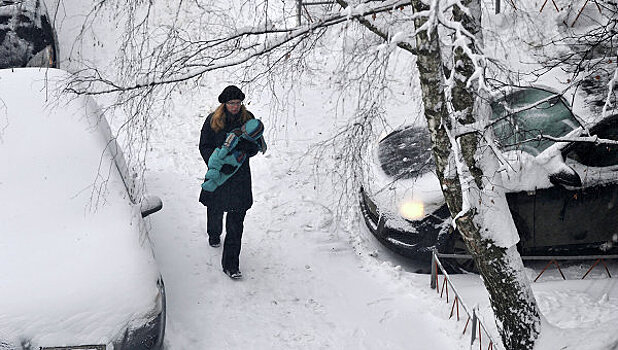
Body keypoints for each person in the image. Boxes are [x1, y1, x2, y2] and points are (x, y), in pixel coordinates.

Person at [199, 85, 264, 280]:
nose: (235, 106)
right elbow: (204, 146)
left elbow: (257, 144)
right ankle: (213, 232)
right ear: (224, 104)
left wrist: (247, 148)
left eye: (238, 103)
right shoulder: (213, 120)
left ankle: (231, 265)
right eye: (231, 103)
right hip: (219, 175)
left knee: (236, 222)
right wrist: (218, 164)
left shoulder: (248, 118)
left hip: (240, 177)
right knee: (215, 209)